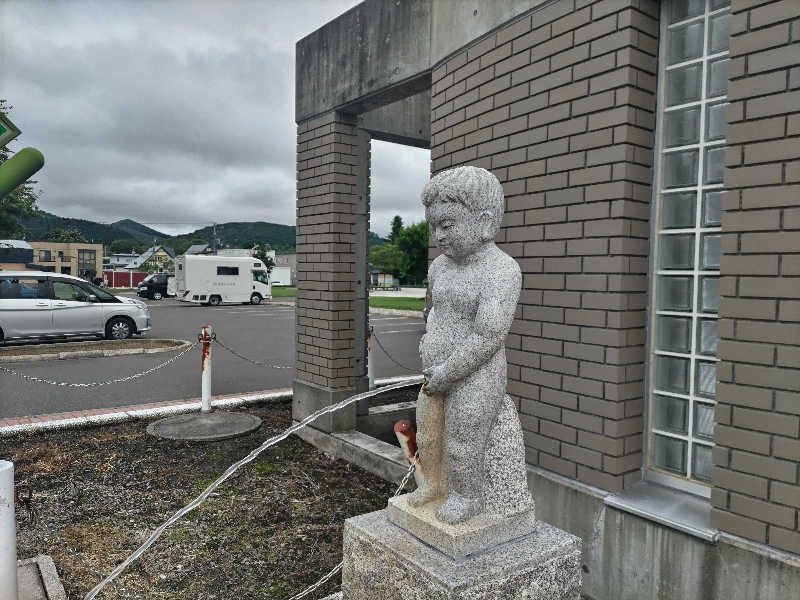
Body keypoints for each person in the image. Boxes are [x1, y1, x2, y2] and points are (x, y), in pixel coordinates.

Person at [408, 165, 521, 525]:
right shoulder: (439, 267)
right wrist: (428, 340)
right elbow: (435, 311)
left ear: (485, 223)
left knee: (462, 438)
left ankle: (467, 495)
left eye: (448, 225)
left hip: (477, 374)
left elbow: (489, 334)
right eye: (433, 226)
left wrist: (449, 371)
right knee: (428, 432)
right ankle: (433, 484)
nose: (438, 235)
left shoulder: (502, 271)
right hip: (434, 372)